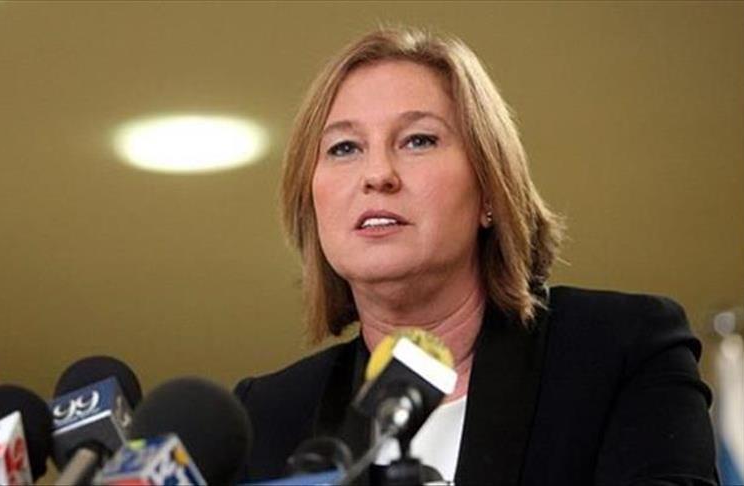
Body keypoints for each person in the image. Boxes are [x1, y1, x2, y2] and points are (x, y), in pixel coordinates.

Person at [234, 27, 716, 485]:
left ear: (489, 190)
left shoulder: (619, 350)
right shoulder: (268, 415)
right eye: (344, 148)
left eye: (418, 140)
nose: (377, 174)